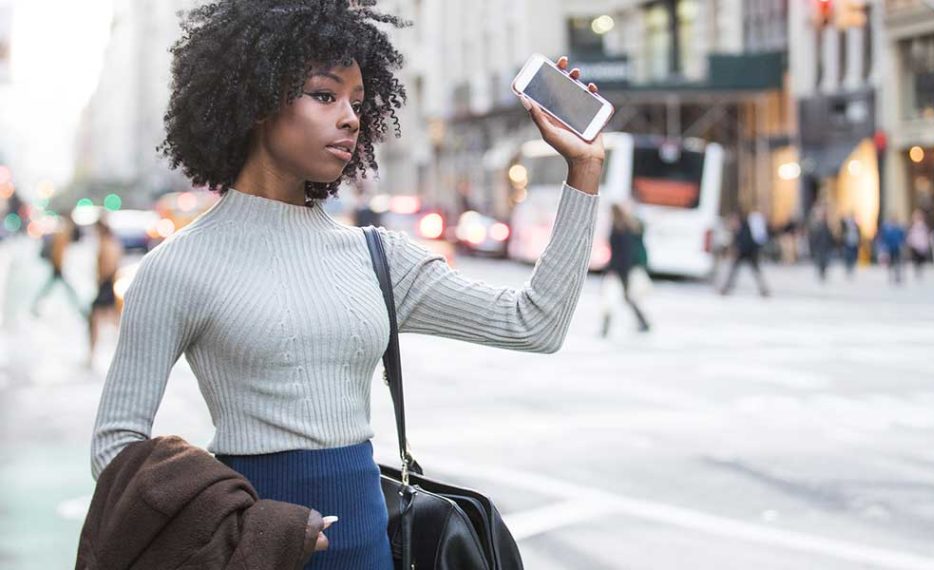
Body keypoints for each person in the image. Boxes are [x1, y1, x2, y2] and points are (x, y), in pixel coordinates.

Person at [88, 2, 605, 567]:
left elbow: (536, 324)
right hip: (253, 554)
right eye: (325, 94)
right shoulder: (177, 267)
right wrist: (244, 526)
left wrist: (584, 172)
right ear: (258, 97)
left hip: (370, 548)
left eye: (358, 102)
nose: (351, 118)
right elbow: (116, 450)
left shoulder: (376, 256)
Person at [602, 203, 651, 335]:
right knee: (625, 297)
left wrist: (618, 271)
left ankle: (605, 328)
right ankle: (643, 322)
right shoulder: (624, 228)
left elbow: (623, 254)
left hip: (619, 270)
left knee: (612, 297)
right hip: (621, 270)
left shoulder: (621, 230)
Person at [30, 217, 86, 319]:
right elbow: (58, 254)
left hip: (58, 268)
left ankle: (80, 308)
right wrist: (59, 265)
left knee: (58, 289)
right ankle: (81, 309)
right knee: (63, 289)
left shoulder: (61, 236)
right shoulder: (62, 237)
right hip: (57, 268)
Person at [87, 218, 124, 369]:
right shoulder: (112, 242)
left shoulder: (106, 243)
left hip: (106, 286)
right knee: (113, 319)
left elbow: (108, 266)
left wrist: (102, 280)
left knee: (96, 320)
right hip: (108, 285)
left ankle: (92, 353)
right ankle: (93, 353)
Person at [719, 209, 771, 296]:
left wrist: (739, 250)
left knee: (754, 272)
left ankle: (764, 290)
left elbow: (746, 242)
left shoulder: (745, 227)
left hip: (749, 253)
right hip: (744, 253)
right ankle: (726, 289)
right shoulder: (739, 228)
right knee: (735, 271)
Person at [807, 204, 835, 282]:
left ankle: (823, 273)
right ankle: (821, 273)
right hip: (820, 246)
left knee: (825, 261)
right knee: (821, 261)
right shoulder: (818, 227)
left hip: (825, 246)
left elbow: (831, 237)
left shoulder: (827, 227)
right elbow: (815, 237)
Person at [876, 216, 906, 284]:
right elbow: (885, 238)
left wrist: (902, 243)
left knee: (897, 262)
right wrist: (884, 245)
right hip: (890, 248)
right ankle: (891, 275)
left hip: (897, 247)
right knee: (891, 262)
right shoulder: (888, 230)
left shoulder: (898, 229)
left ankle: (897, 276)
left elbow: (902, 237)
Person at [906, 209, 932, 280]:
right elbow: (911, 236)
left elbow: (926, 236)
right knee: (916, 259)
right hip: (915, 245)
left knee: (920, 260)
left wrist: (926, 244)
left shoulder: (924, 227)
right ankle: (917, 270)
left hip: (921, 246)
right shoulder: (913, 226)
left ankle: (919, 270)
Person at [839, 213, 860, 278]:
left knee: (853, 257)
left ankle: (851, 268)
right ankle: (848, 268)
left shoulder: (856, 227)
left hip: (854, 244)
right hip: (847, 244)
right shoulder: (845, 227)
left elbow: (859, 234)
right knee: (847, 256)